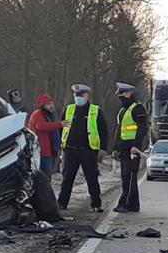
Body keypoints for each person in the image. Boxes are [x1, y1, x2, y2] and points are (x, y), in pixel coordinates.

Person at [57, 84, 109, 213]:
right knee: (67, 178)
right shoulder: (68, 109)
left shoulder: (95, 111)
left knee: (92, 178)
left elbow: (104, 131)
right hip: (70, 150)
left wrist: (103, 148)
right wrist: (60, 147)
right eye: (76, 95)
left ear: (87, 96)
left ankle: (96, 204)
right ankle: (62, 203)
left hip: (88, 150)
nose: (78, 98)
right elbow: (61, 129)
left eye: (81, 95)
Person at [112, 82, 148, 212]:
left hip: (132, 148)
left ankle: (124, 203)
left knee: (130, 175)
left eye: (121, 94)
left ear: (128, 93)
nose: (120, 97)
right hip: (124, 147)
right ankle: (133, 204)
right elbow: (119, 131)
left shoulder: (138, 108)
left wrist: (136, 145)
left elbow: (142, 129)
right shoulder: (123, 111)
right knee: (126, 176)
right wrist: (116, 148)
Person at [25, 93, 63, 183]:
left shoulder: (49, 115)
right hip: (41, 151)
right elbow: (42, 126)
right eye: (49, 104)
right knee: (43, 177)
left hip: (49, 151)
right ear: (43, 105)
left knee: (47, 176)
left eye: (52, 103)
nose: (51, 106)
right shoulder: (37, 114)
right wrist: (60, 124)